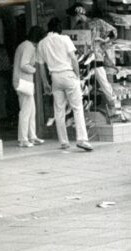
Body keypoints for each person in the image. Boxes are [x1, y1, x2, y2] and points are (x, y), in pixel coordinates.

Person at [37, 17, 93, 151]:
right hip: (68, 74)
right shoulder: (65, 39)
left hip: (54, 77)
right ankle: (82, 139)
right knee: (77, 107)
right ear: (59, 29)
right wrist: (78, 76)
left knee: (59, 110)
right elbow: (74, 59)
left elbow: (40, 66)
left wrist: (45, 83)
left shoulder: (42, 43)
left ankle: (64, 141)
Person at [68, 3, 117, 109]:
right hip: (83, 60)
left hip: (96, 57)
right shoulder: (78, 27)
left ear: (79, 14)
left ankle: (113, 105)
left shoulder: (97, 22)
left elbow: (113, 31)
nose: (73, 18)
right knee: (84, 85)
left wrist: (104, 40)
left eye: (74, 16)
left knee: (103, 82)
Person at [13, 26, 46, 148]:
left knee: (31, 110)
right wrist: (34, 69)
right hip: (24, 81)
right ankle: (23, 139)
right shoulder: (30, 47)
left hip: (21, 81)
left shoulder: (24, 45)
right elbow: (24, 65)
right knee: (26, 111)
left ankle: (32, 136)